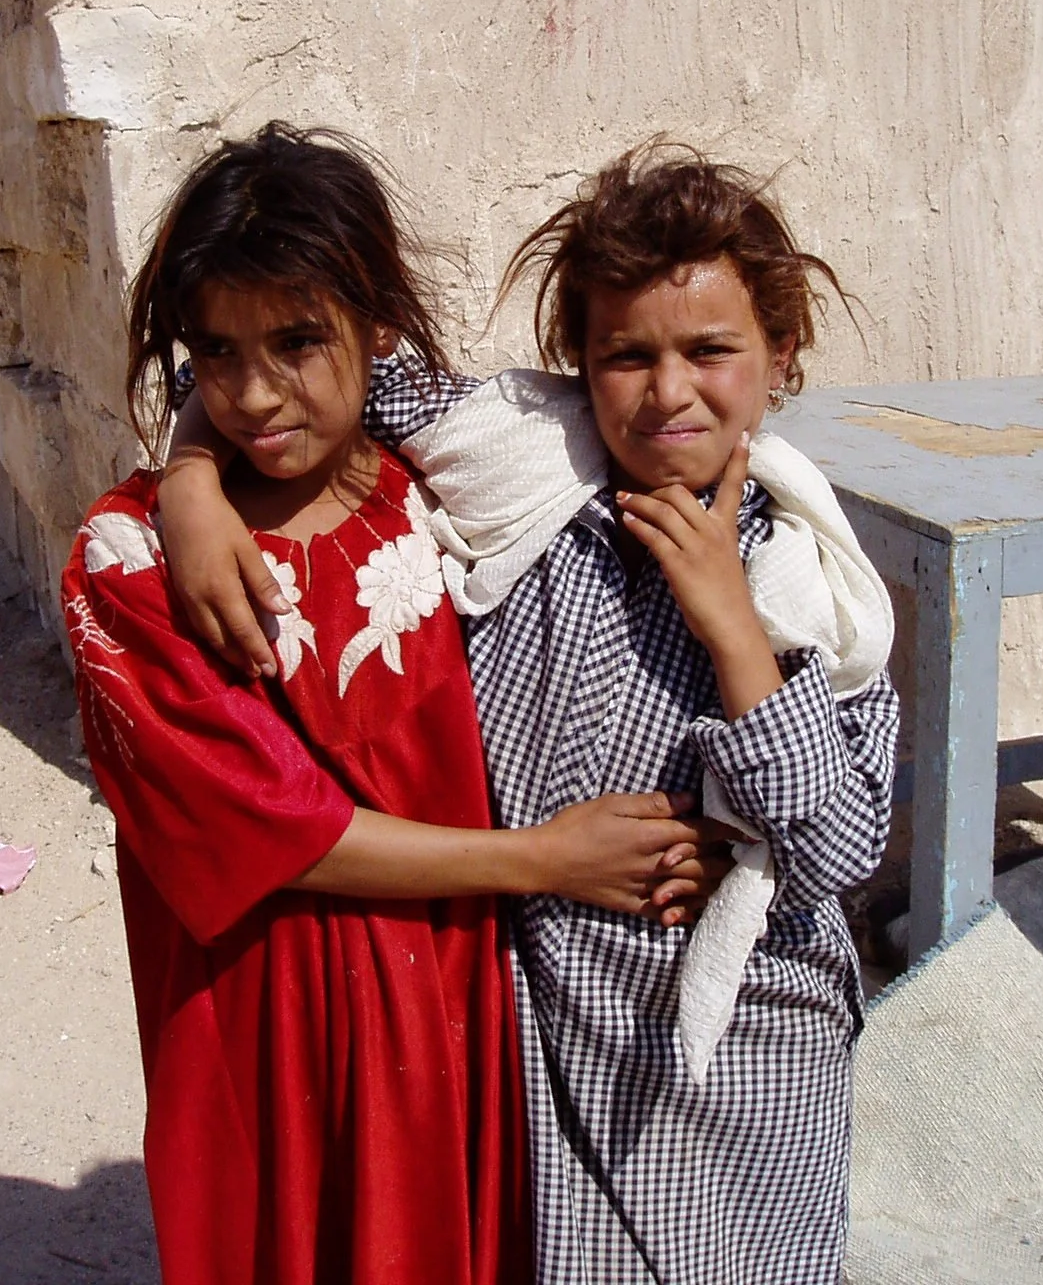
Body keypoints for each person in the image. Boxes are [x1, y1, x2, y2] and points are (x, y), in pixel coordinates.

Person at [159, 140, 901, 1285]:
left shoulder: (809, 586)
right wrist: (190, 484)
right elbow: (277, 366)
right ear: (575, 361)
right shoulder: (518, 466)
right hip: (544, 1036)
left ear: (779, 354)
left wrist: (730, 623)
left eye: (710, 352)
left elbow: (832, 852)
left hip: (743, 1058)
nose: (667, 394)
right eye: (625, 356)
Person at [61, 123, 721, 1285]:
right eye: (214, 354)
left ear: (377, 328)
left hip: (453, 993)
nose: (255, 395)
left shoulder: (439, 487)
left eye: (298, 341)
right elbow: (275, 831)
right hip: (264, 1027)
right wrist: (543, 861)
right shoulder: (127, 569)